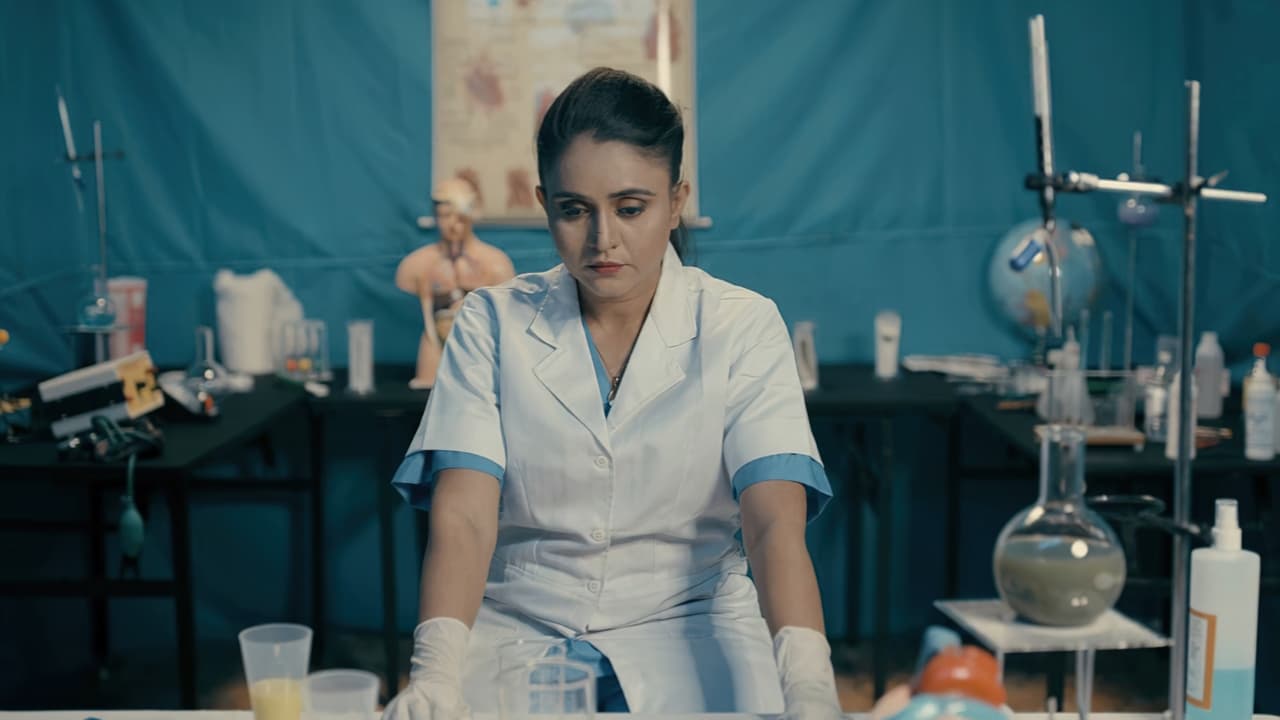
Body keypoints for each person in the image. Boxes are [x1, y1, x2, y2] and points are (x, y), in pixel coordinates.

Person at [383, 67, 841, 718]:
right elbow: (463, 518)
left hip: (692, 623)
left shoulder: (742, 325)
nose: (603, 240)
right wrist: (434, 674)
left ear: (676, 202)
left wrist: (811, 686)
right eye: (574, 210)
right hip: (521, 626)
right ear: (544, 203)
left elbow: (772, 525)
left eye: (630, 208)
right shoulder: (491, 321)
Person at [395, 178, 516, 388]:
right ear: (435, 216)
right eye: (444, 215)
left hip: (479, 347)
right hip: (433, 345)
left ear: (472, 214)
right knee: (429, 392)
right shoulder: (416, 264)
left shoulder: (496, 264)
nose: (453, 223)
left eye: (459, 215)